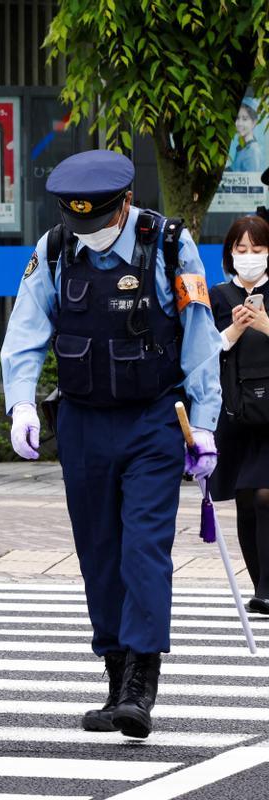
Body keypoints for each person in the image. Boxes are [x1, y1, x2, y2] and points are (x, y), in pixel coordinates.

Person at [1, 149, 222, 740]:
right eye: (81, 224)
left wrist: (204, 423)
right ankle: (115, 672)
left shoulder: (169, 244)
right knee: (97, 551)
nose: (91, 235)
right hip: (82, 422)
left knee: (142, 549)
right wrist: (21, 400)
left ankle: (140, 685)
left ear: (125, 204)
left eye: (99, 222)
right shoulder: (56, 248)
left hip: (153, 419)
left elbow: (199, 332)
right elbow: (26, 330)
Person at [208, 214, 269, 614]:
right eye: (242, 249)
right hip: (234, 411)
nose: (249, 257)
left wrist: (266, 325)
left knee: (265, 495)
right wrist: (232, 332)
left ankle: (266, 588)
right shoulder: (217, 296)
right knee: (245, 499)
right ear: (230, 253)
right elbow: (199, 355)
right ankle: (259, 578)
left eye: (259, 250)